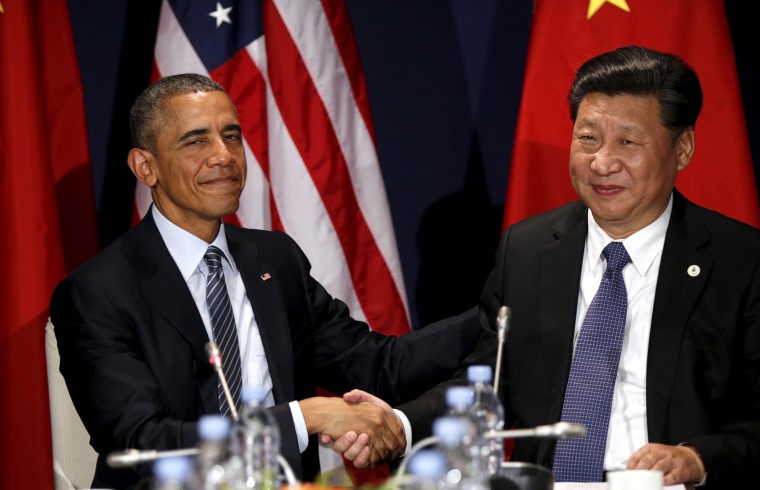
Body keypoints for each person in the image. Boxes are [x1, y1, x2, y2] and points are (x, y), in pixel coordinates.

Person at [49, 73, 480, 490]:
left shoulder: (275, 259)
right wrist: (305, 417)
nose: (225, 155)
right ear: (146, 166)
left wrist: (503, 308)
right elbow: (144, 444)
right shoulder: (97, 292)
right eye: (196, 141)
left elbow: (379, 366)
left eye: (232, 136)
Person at [396, 45, 760, 489]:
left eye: (628, 142)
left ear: (681, 149)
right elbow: (490, 383)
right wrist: (398, 423)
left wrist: (698, 458)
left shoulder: (745, 262)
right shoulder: (527, 249)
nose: (602, 162)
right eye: (588, 139)